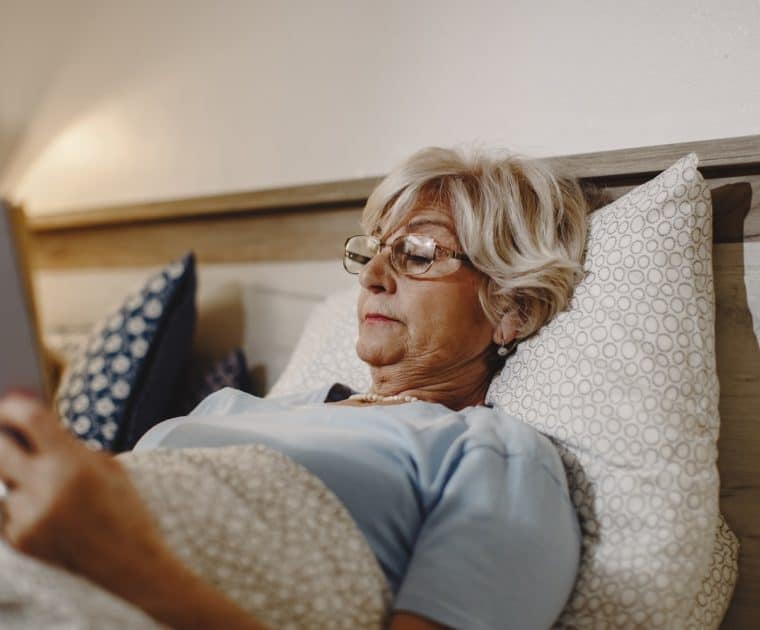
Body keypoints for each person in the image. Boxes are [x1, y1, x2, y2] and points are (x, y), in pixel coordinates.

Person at [0, 145, 589, 629]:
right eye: (374, 251)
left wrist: (120, 559)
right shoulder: (236, 408)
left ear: (511, 305)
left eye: (418, 254)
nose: (376, 278)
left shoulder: (491, 455)